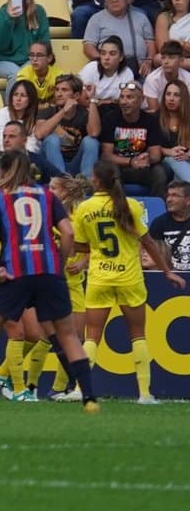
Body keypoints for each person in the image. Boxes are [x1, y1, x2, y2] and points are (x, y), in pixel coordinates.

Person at [0, 151, 98, 413]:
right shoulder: (47, 196)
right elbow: (68, 232)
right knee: (67, 335)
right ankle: (89, 399)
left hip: (14, 272)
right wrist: (60, 262)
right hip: (49, 272)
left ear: (5, 171)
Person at [72, 160, 185, 405]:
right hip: (129, 277)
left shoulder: (85, 208)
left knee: (92, 336)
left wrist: (94, 247)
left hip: (100, 277)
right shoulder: (131, 205)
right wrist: (167, 271)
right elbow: (149, 243)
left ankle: (81, 390)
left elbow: (79, 244)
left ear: (96, 180)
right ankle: (145, 394)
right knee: (137, 335)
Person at [91, 79, 167, 196]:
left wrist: (148, 159)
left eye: (130, 97)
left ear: (142, 100)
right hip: (119, 168)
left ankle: (160, 210)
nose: (124, 102)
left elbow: (156, 155)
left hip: (141, 169)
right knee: (111, 171)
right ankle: (118, 210)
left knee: (159, 172)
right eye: (122, 97)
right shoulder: (110, 119)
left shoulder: (151, 121)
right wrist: (131, 161)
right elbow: (106, 156)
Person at [148, 180, 190, 271]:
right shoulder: (159, 223)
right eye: (168, 195)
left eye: (175, 195)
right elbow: (152, 255)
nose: (169, 200)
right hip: (171, 277)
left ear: (188, 200)